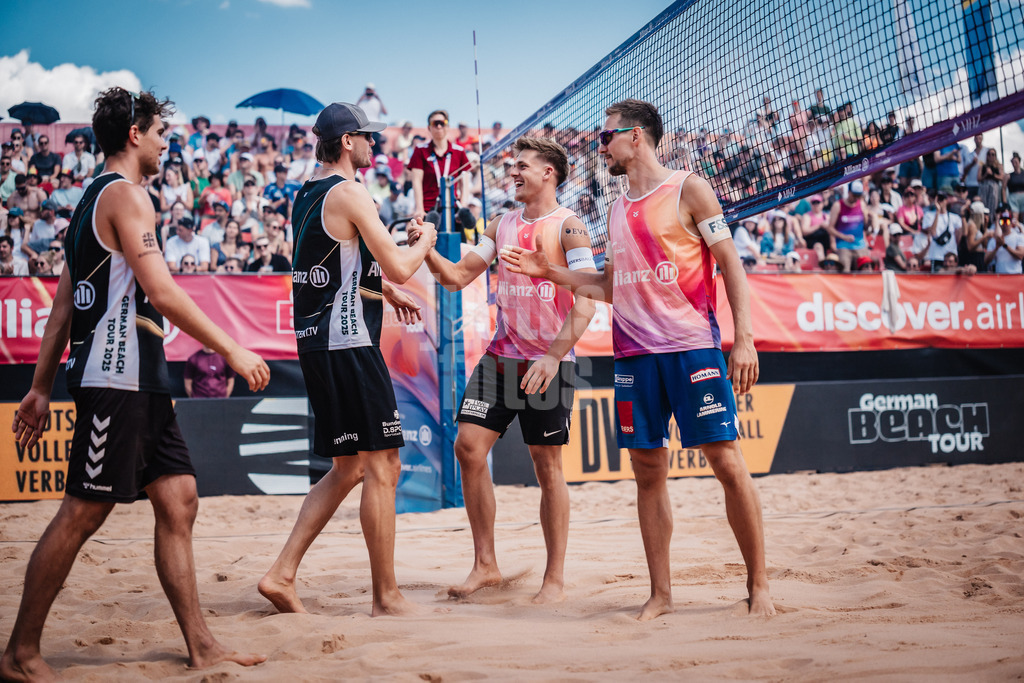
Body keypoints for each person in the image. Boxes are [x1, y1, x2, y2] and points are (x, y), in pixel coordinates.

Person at [1, 87, 270, 681]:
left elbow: (62, 307)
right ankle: (20, 653)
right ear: (134, 134)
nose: (165, 143)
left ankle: (201, 645)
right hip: (114, 375)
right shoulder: (125, 196)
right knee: (83, 511)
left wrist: (41, 388)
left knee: (179, 500)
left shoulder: (88, 205)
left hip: (141, 378)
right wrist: (231, 346)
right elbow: (165, 292)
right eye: (160, 133)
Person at [501, 99, 773, 620]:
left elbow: (731, 266)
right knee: (648, 471)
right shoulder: (616, 207)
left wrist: (745, 338)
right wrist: (549, 272)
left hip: (690, 347)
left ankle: (758, 585)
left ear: (637, 137)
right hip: (633, 355)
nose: (599, 146)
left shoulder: (688, 188)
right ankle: (661, 595)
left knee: (726, 463)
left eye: (606, 137)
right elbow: (607, 286)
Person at [258, 102, 436, 617]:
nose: (374, 145)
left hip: (317, 343)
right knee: (383, 465)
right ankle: (387, 598)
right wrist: (422, 239)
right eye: (367, 137)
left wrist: (379, 292)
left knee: (347, 468)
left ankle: (281, 574)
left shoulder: (305, 196)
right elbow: (402, 265)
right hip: (349, 344)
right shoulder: (351, 192)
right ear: (345, 143)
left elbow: (334, 265)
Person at [415, 136, 596, 604]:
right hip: (501, 356)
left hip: (549, 361)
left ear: (548, 173)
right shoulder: (502, 222)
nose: (511, 173)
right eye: (511, 167)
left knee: (547, 466)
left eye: (521, 166)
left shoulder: (570, 228)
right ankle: (485, 565)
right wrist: (428, 247)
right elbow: (456, 277)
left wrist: (555, 355)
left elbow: (588, 300)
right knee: (468, 448)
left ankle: (554, 579)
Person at [408, 110, 471, 220]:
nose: (438, 126)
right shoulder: (420, 150)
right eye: (434, 123)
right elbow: (416, 181)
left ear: (447, 126)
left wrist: (463, 208)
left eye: (442, 123)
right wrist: (419, 209)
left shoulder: (459, 152)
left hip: (453, 209)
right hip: (428, 210)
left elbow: (464, 184)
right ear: (429, 128)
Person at [824, 180, 869, 272]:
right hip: (843, 245)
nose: (856, 198)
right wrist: (843, 237)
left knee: (865, 270)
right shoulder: (838, 205)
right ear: (848, 192)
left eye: (858, 195)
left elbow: (865, 226)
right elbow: (830, 228)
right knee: (844, 268)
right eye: (854, 195)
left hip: (860, 244)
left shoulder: (862, 205)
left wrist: (868, 218)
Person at [923, 192, 962, 272]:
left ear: (946, 200)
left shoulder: (955, 217)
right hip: (936, 255)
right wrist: (937, 212)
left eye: (942, 199)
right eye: (938, 199)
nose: (940, 201)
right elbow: (933, 233)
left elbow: (958, 238)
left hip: (951, 256)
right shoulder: (929, 215)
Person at [984, 208, 1024, 274]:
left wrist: (1005, 245)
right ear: (999, 223)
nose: (1005, 224)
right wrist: (996, 248)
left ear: (1011, 223)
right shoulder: (994, 240)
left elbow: (1020, 255)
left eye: (1007, 221)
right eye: (1002, 221)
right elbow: (986, 260)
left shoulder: (1018, 237)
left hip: (1015, 275)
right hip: (1000, 277)